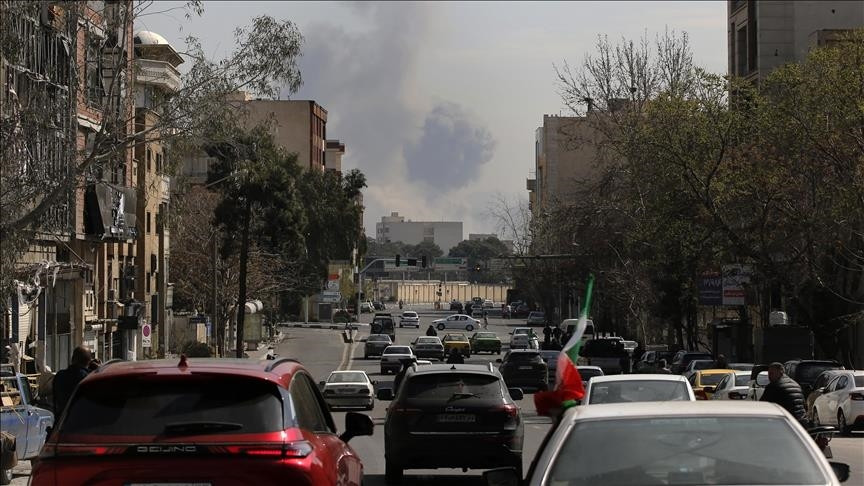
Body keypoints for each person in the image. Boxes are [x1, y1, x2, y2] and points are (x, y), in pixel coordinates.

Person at [53, 346, 95, 414]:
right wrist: (99, 370)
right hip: (83, 417)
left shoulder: (60, 375)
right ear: (89, 362)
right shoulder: (88, 378)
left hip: (63, 417)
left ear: (72, 359)